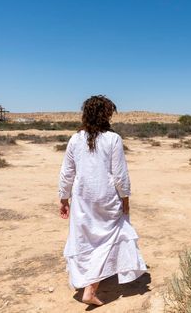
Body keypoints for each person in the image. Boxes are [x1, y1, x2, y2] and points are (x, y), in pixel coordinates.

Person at [58, 95, 147, 306]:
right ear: (105, 115)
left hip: (82, 198)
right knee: (107, 239)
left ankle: (85, 278)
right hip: (107, 198)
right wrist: (125, 197)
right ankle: (90, 288)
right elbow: (120, 174)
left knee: (86, 238)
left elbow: (66, 173)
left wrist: (64, 197)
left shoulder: (75, 139)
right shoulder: (113, 139)